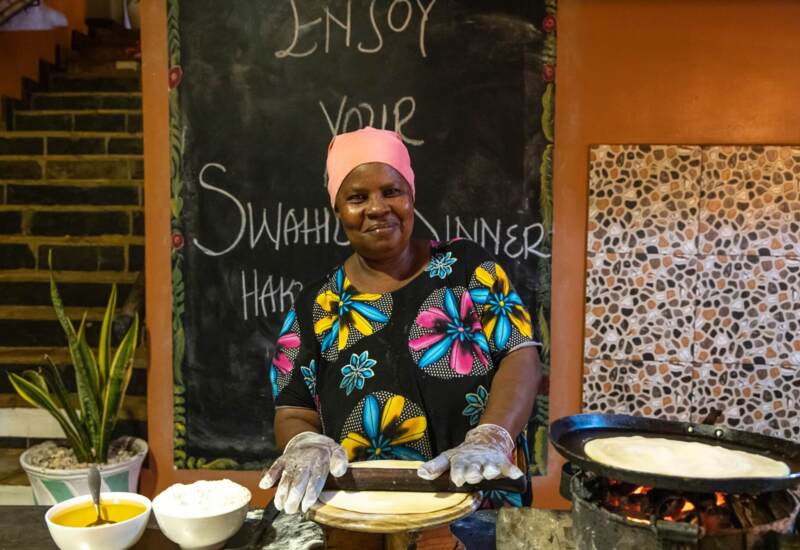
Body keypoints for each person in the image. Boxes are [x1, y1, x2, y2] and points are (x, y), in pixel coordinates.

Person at [260, 127, 542, 514]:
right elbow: (293, 410)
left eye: (391, 191)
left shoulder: (468, 269)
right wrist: (304, 444)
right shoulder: (316, 306)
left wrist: (491, 438)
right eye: (357, 197)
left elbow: (520, 356)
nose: (377, 208)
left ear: (411, 196)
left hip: (479, 504)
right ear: (337, 210)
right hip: (365, 515)